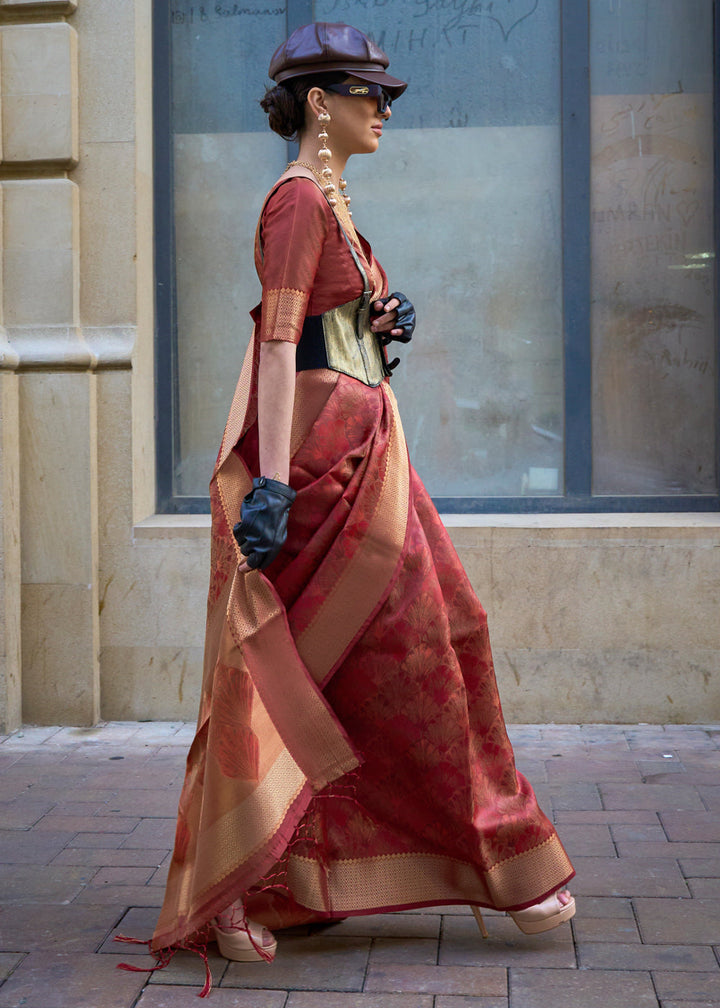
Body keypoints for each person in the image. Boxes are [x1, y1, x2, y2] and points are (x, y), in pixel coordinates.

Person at [148, 20, 575, 991]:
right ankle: (242, 894)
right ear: (318, 104)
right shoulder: (297, 202)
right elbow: (274, 344)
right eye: (368, 93)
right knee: (309, 672)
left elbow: (325, 342)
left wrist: (376, 329)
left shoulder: (328, 203)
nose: (384, 108)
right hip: (314, 473)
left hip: (365, 454)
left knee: (409, 649)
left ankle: (312, 879)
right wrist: (268, 485)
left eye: (384, 94)